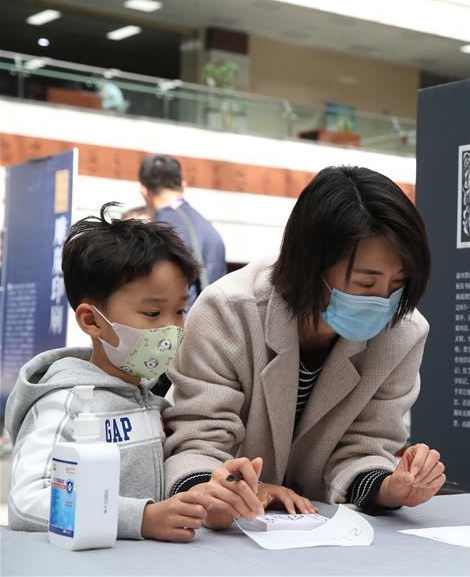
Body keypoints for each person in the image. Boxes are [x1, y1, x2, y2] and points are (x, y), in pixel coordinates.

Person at [164, 166, 446, 529]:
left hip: (317, 533)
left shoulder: (403, 332)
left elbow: (366, 446)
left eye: (398, 283)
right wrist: (231, 489)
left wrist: (392, 486)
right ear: (311, 264)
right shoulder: (229, 311)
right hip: (230, 533)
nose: (383, 299)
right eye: (365, 282)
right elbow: (198, 442)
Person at [5, 203, 211, 541]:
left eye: (178, 311)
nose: (171, 328)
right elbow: (28, 502)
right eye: (152, 312)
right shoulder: (65, 403)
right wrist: (139, 518)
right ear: (91, 320)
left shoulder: (154, 398)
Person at [139, 154, 226, 310]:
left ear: (144, 191)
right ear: (183, 185)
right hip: (209, 323)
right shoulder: (208, 228)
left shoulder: (158, 232)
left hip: (175, 329)